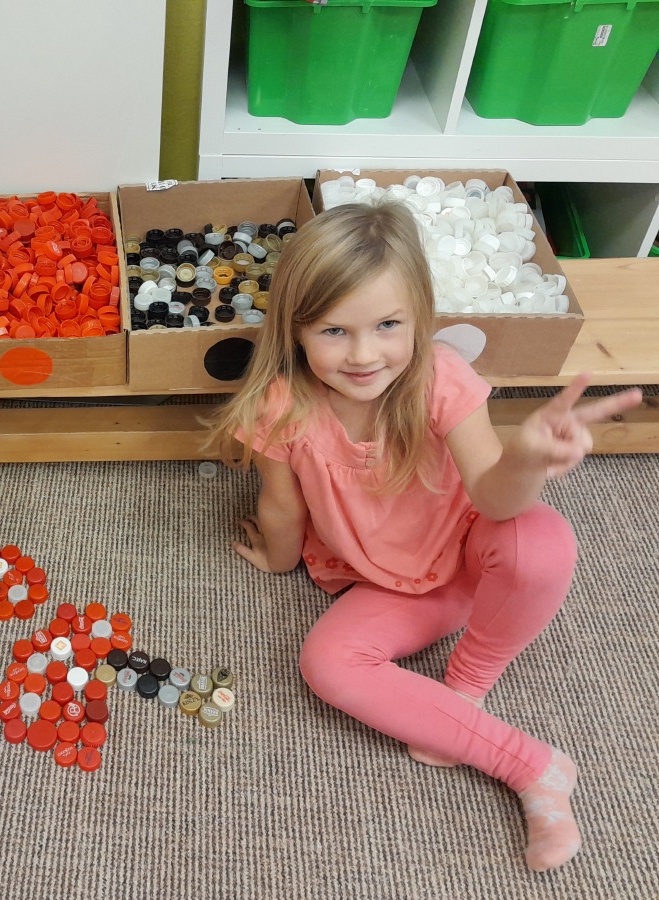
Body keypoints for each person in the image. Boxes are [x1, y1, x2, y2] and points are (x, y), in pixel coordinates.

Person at [207, 201, 641, 872]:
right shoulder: (282, 405)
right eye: (334, 331)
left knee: (544, 539)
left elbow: (494, 497)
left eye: (388, 325)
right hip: (388, 587)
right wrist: (277, 557)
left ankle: (466, 688)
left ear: (420, 318)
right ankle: (532, 765)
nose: (363, 354)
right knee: (325, 662)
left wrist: (526, 461)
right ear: (295, 330)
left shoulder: (440, 377)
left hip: (470, 559)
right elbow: (281, 507)